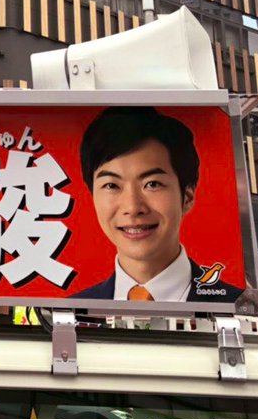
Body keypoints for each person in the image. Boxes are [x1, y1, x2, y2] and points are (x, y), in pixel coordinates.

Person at [74, 107, 244, 303]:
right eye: (112, 185)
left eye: (152, 184)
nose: (132, 207)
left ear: (187, 196)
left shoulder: (235, 305)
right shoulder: (73, 309)